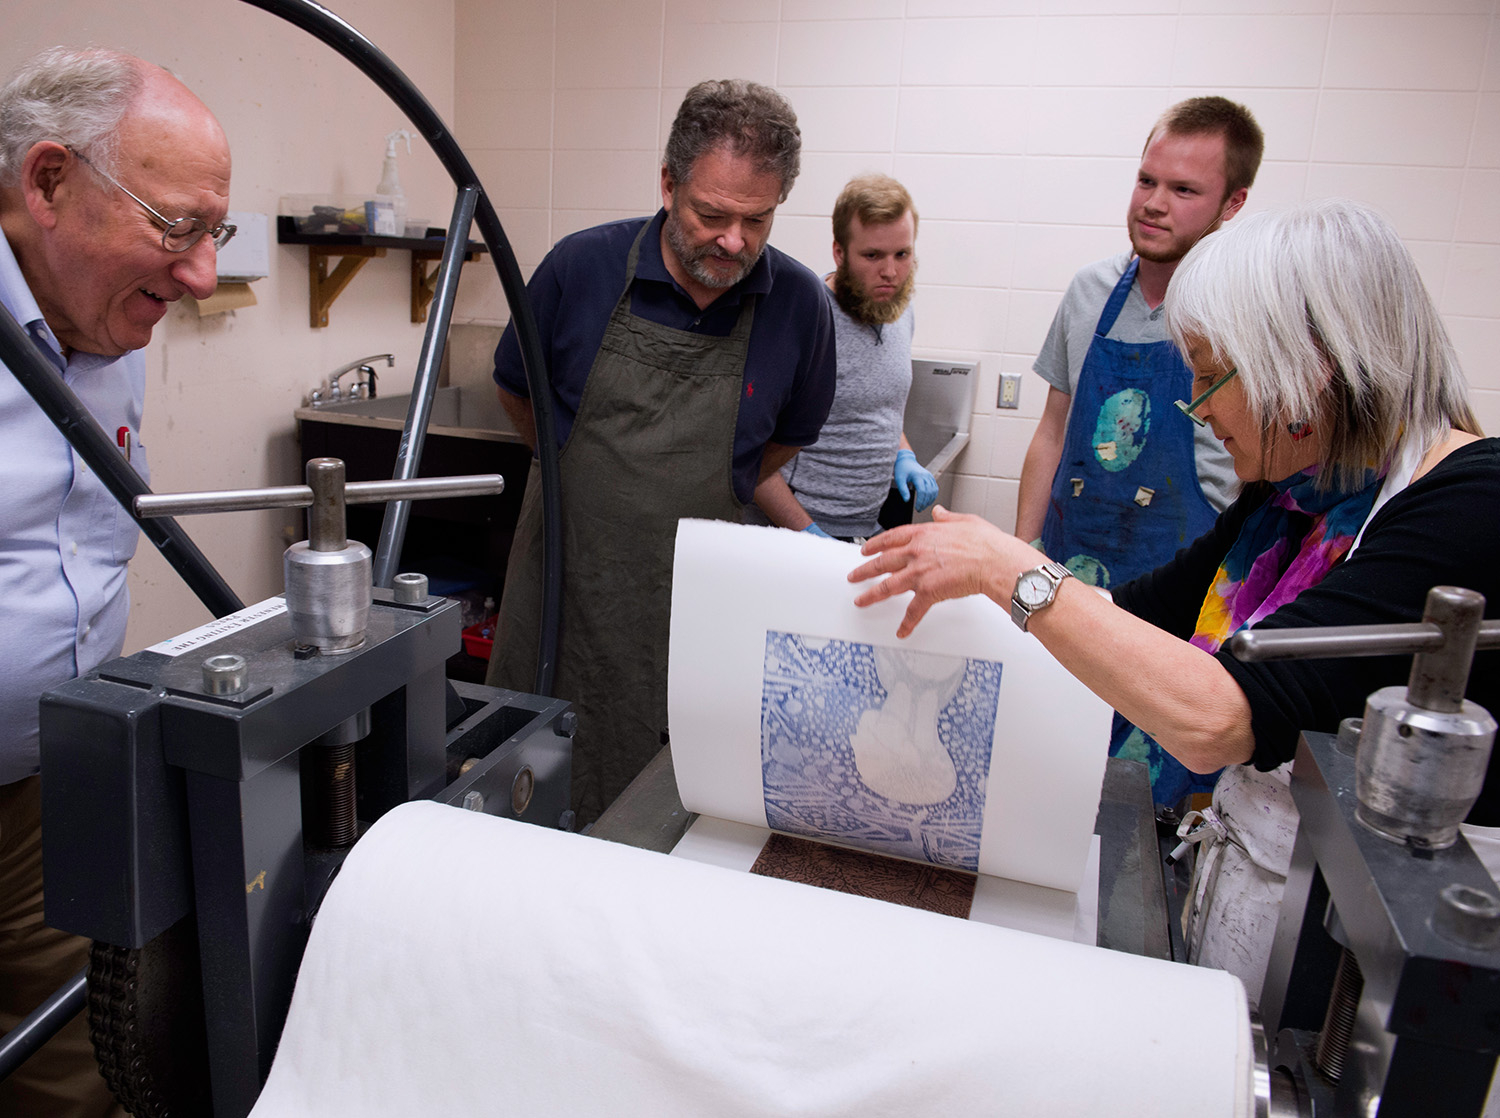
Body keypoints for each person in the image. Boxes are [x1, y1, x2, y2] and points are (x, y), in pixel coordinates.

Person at [849, 199, 1497, 1002]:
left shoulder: (1470, 503)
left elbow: (1221, 720)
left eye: (1211, 373)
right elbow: (1128, 612)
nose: (1197, 404)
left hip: (1374, 962)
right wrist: (969, 596)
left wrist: (1013, 572)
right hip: (1264, 891)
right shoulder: (1295, 498)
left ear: (1308, 367)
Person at [487, 79, 836, 826]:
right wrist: (578, 470)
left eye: (758, 219)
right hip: (563, 603)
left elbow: (780, 445)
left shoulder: (801, 308)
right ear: (668, 183)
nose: (734, 241)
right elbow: (516, 391)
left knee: (664, 829)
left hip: (691, 628)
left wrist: (715, 481)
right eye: (712, 214)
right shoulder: (578, 271)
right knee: (530, 815)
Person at [0, 47, 231, 1117]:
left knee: (67, 1073)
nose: (199, 277)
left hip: (53, 781)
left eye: (211, 233)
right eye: (175, 228)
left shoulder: (109, 315)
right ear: (48, 182)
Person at [1014, 96, 1265, 805]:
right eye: (1146, 180)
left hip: (1178, 613)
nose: (1154, 204)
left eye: (1184, 190)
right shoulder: (1091, 292)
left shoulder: (1240, 316)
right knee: (1049, 782)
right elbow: (1052, 431)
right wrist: (1024, 550)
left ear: (1231, 202)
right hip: (1072, 584)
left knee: (1145, 812)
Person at [752, 173, 936, 541]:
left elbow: (875, 405)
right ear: (839, 252)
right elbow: (751, 457)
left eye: (902, 254)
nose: (890, 272)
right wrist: (806, 531)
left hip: (865, 529)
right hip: (795, 532)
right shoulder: (804, 320)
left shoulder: (899, 310)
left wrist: (904, 454)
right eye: (872, 255)